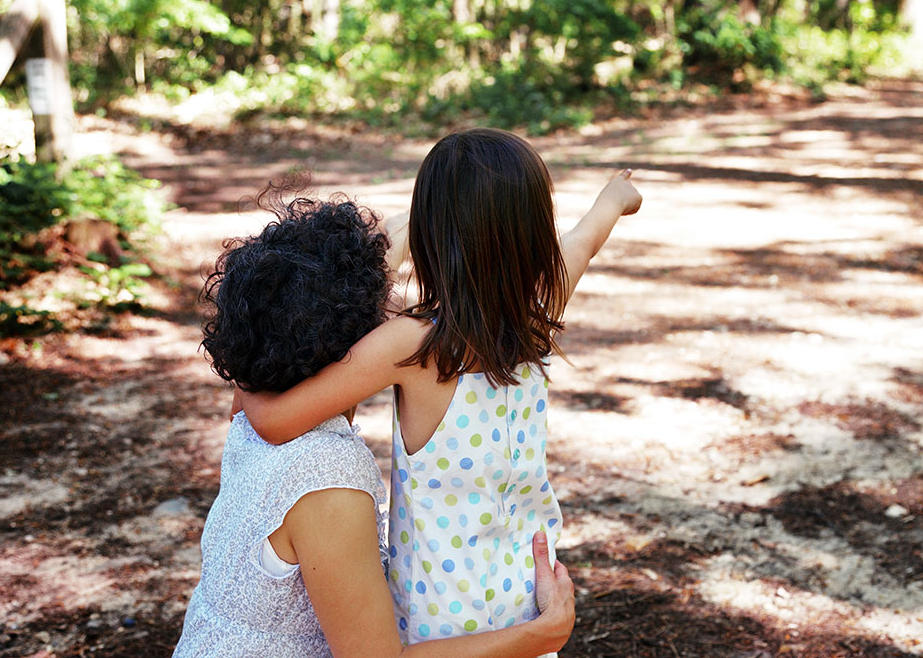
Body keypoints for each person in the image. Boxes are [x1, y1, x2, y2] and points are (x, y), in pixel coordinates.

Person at [241, 129, 642, 653]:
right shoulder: (536, 316)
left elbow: (275, 421)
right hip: (524, 607)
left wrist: (239, 364)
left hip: (435, 629)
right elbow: (583, 241)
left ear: (433, 236)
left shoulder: (415, 344)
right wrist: (614, 198)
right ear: (535, 233)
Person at [172, 186, 575, 658]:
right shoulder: (328, 480)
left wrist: (439, 208)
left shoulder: (248, 417)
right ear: (355, 345)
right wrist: (540, 634)